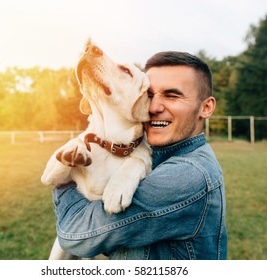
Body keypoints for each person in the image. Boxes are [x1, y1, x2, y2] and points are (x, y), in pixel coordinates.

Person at [51, 51, 227, 260]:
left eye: (172, 95)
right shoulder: (152, 153)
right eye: (149, 95)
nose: (153, 107)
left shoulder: (188, 175)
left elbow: (78, 235)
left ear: (206, 107)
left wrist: (66, 174)